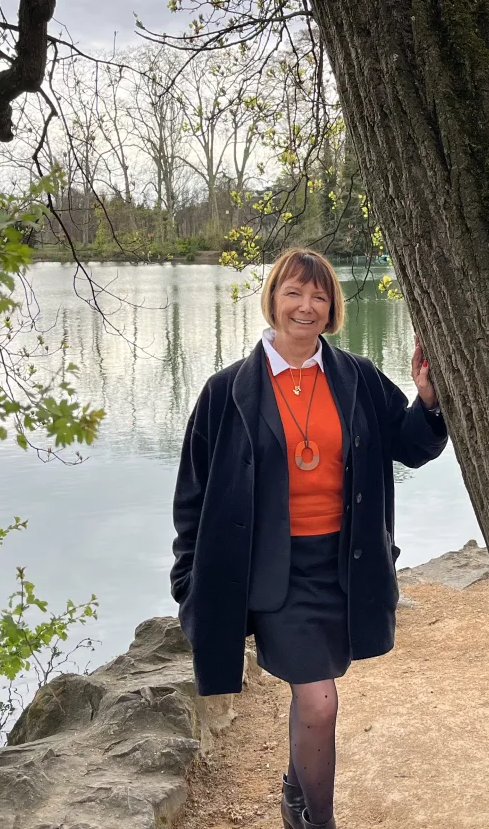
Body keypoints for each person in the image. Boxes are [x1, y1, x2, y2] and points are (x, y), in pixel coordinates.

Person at [170, 247, 448, 829]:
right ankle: (315, 821)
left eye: (320, 296)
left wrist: (426, 399)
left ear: (333, 308)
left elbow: (412, 446)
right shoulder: (227, 392)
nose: (306, 306)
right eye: (294, 292)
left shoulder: (357, 378)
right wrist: (187, 576)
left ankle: (296, 786)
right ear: (273, 298)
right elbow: (193, 493)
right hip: (275, 574)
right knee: (320, 701)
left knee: (314, 698)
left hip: (344, 566)